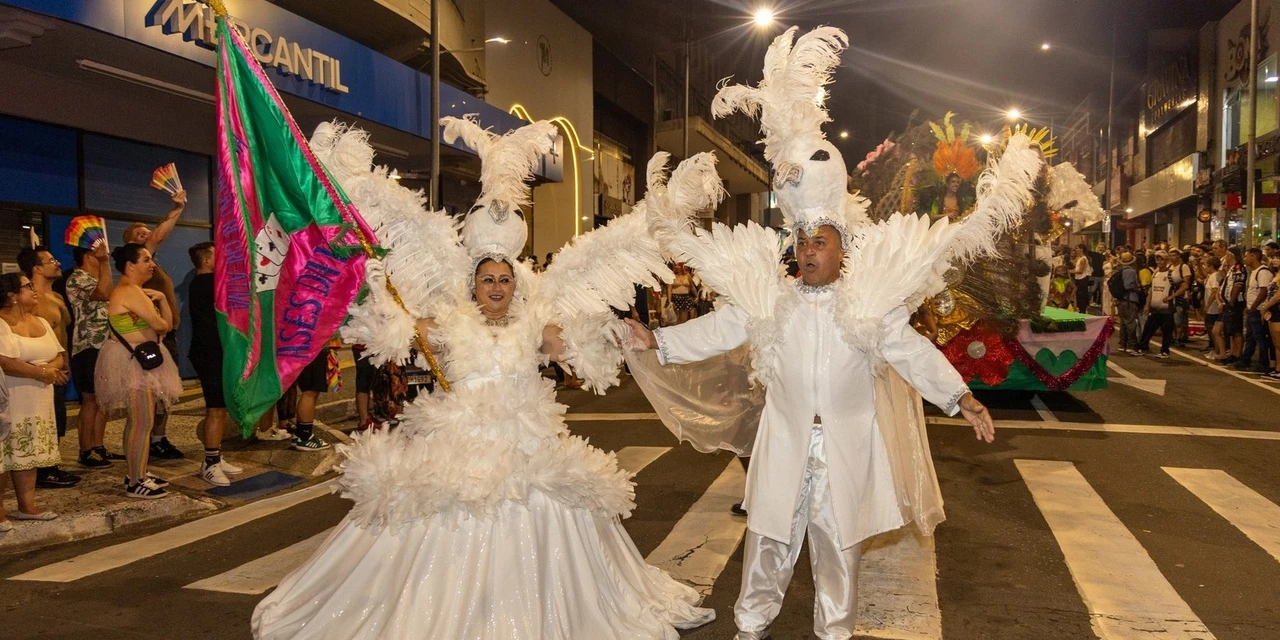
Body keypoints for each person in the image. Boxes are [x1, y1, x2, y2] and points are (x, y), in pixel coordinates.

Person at [253, 117, 718, 638]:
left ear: (515, 283)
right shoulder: (445, 322)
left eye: (503, 279)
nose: (496, 287)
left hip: (527, 447)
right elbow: (391, 328)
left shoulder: (535, 324)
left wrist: (608, 334)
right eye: (487, 280)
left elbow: (572, 346)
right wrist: (373, 293)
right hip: (455, 447)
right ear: (472, 284)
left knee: (543, 518)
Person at [96, 243, 182, 498]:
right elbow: (162, 324)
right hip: (133, 361)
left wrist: (163, 299)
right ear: (130, 265)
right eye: (145, 259)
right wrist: (163, 303)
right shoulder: (129, 291)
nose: (151, 264)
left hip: (139, 358)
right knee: (142, 422)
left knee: (141, 421)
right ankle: (136, 481)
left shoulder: (135, 291)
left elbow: (167, 326)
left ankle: (138, 471)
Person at [122, 189, 187, 460]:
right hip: (152, 338)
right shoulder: (139, 263)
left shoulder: (151, 266)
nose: (147, 237)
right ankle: (148, 444)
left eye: (147, 233)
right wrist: (176, 210)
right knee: (153, 394)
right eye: (141, 235)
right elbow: (160, 235)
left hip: (166, 335)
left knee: (165, 393)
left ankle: (158, 438)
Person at [0, 273, 65, 521]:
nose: (33, 289)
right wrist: (41, 372)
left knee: (30, 451)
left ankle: (27, 505)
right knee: (6, 454)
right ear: (11, 295)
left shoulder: (42, 322)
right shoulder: (1, 323)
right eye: (28, 286)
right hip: (12, 398)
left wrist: (52, 369)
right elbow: (4, 361)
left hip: (39, 398)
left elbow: (59, 353)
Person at [16, 247, 79, 489]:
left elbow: (62, 335)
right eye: (51, 260)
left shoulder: (58, 297)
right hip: (41, 371)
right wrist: (41, 369)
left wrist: (65, 363)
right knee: (43, 419)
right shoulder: (30, 301)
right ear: (37, 269)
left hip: (59, 366)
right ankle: (43, 470)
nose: (57, 263)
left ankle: (50, 465)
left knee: (57, 419)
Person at [186, 242, 244, 486]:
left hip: (214, 353)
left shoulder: (205, 284)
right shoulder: (207, 284)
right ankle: (210, 464)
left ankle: (215, 458)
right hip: (210, 355)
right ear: (207, 261)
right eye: (217, 255)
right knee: (215, 408)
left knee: (219, 408)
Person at [65, 242, 124, 467]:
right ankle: (86, 450)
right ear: (88, 256)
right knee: (90, 399)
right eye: (97, 255)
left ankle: (99, 446)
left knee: (103, 400)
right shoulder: (77, 278)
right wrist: (104, 262)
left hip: (106, 345)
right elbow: (104, 293)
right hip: (88, 346)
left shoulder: (96, 278)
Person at [1238, 247, 1274, 373]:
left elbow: (1264, 291)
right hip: (1252, 309)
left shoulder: (1262, 272)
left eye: (1246, 256)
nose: (1244, 259)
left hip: (1258, 310)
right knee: (1250, 337)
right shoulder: (1253, 272)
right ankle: (1245, 359)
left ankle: (1264, 363)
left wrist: (1254, 306)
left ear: (1253, 257)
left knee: (1260, 337)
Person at [1136, 251, 1176, 358]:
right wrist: (1147, 305)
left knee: (1167, 330)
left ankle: (1165, 350)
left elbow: (1184, 285)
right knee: (1149, 328)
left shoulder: (1172, 274)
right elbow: (1151, 291)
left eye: (1162, 259)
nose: (1159, 262)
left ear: (1167, 261)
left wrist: (1171, 297)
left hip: (1167, 308)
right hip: (1154, 307)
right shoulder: (1155, 273)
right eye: (1158, 259)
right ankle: (1143, 347)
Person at [1219, 247, 1247, 365]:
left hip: (1235, 304)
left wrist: (1232, 300)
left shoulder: (1238, 268)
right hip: (1228, 303)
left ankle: (1237, 354)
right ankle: (1233, 353)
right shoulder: (1231, 269)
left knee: (1236, 329)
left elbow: (1238, 285)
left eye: (1227, 255)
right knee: (1231, 329)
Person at [1110, 252, 1142, 354]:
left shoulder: (1119, 270)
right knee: (1131, 323)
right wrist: (1137, 287)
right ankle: (1132, 345)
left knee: (1124, 322)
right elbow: (1129, 286)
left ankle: (1122, 344)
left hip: (1121, 300)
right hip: (1129, 299)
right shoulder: (1131, 271)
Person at [1167, 249, 1194, 346]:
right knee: (1172, 317)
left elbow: (1186, 283)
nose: (1172, 257)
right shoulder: (1169, 266)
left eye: (1174, 255)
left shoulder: (1184, 267)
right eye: (1170, 255)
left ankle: (1180, 337)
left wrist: (1176, 293)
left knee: (1179, 317)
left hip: (1181, 295)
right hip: (1171, 293)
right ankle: (1174, 336)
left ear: (1178, 256)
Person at [1261, 254, 1280, 379]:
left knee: (1278, 341)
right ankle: (1277, 368)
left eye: (1277, 258)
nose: (1274, 260)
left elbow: (1278, 295)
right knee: (1275, 341)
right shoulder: (1275, 275)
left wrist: (1266, 306)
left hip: (1277, 309)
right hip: (1271, 310)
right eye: (1273, 258)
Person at [1203, 256, 1226, 360]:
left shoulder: (1214, 276)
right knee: (1212, 330)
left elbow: (1214, 291)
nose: (1204, 267)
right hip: (1213, 307)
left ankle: (1217, 350)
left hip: (1214, 308)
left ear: (1211, 266)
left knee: (1213, 330)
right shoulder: (1212, 275)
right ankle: (1215, 350)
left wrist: (1207, 305)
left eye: (1206, 265)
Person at [1072, 244, 1093, 313]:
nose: (1076, 250)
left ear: (1081, 249)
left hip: (1082, 279)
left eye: (1077, 248)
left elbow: (1080, 271)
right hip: (1079, 279)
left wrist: (1070, 271)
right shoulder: (1079, 258)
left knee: (1081, 295)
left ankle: (1083, 309)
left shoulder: (1083, 259)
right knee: (1079, 295)